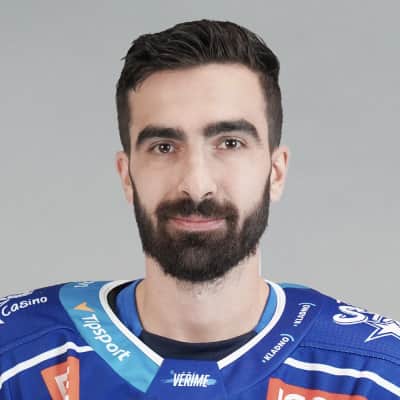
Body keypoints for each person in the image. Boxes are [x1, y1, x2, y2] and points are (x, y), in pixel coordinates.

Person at [0, 19, 399, 400]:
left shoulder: (373, 375)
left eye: (230, 143)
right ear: (127, 175)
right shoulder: (16, 357)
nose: (196, 184)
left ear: (275, 172)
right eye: (163, 147)